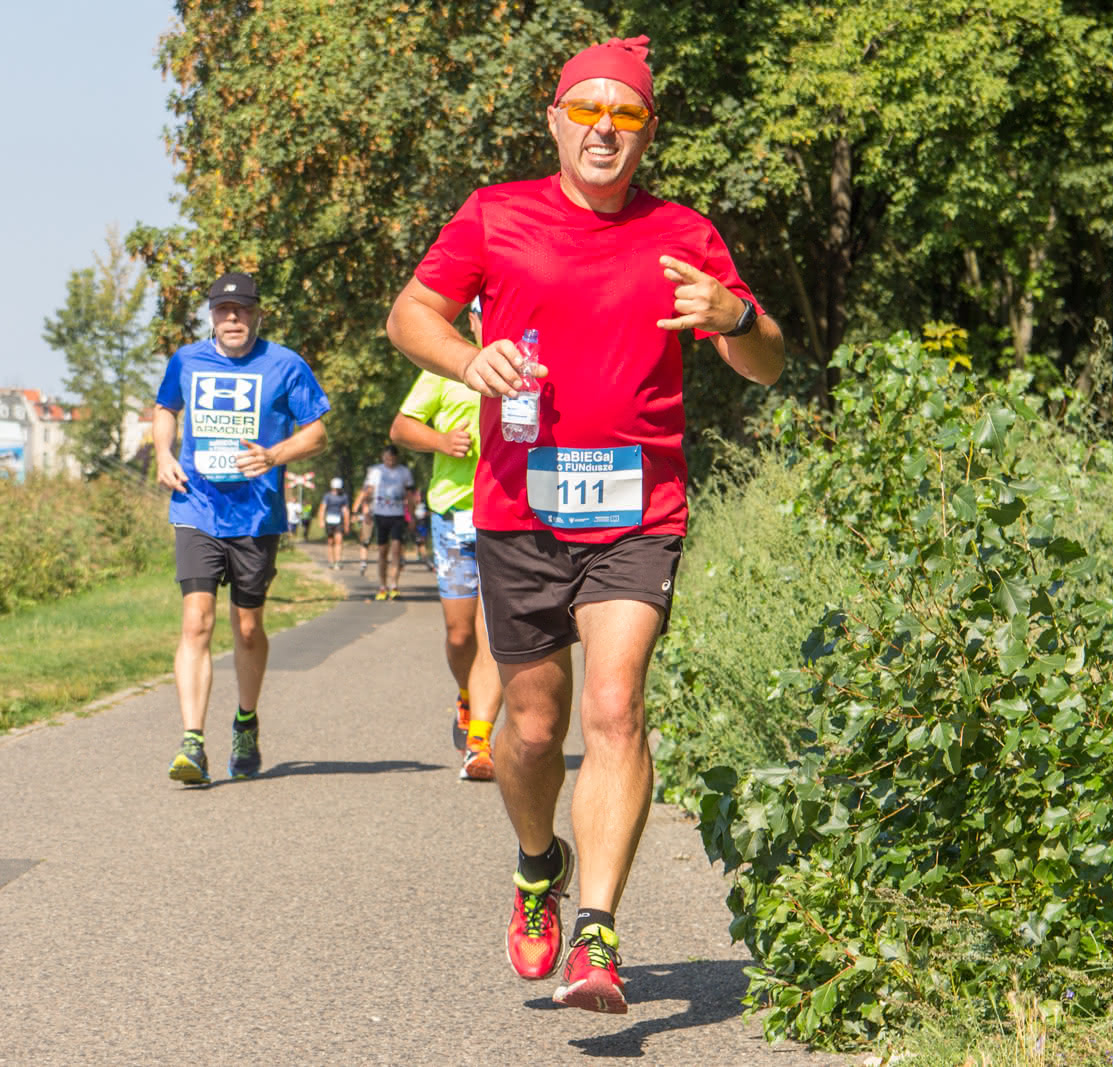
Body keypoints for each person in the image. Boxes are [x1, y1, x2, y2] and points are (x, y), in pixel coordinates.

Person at [385, 36, 784, 1014]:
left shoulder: (683, 232)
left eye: (628, 114)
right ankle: (538, 867)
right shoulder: (497, 214)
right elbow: (410, 314)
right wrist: (465, 359)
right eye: (588, 111)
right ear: (556, 120)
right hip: (518, 508)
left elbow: (766, 362)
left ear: (647, 130)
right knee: (529, 725)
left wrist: (733, 316)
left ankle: (597, 929)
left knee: (614, 705)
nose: (606, 129)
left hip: (637, 507)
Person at [153, 271, 331, 785]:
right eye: (224, 311)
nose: (233, 319)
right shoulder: (186, 360)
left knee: (247, 627)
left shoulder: (284, 364)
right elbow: (166, 408)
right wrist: (164, 453)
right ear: (211, 314)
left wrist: (276, 454)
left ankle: (246, 721)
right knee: (197, 620)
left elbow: (316, 432)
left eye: (243, 310)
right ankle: (192, 742)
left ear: (257, 314)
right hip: (196, 506)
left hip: (256, 515)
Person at [389, 297, 502, 781]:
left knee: (493, 633)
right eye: (481, 311)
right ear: (472, 318)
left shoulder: (529, 365)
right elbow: (400, 427)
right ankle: (465, 694)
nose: (488, 319)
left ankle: (480, 741)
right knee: (460, 634)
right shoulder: (446, 365)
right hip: (454, 514)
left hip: (508, 516)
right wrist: (441, 441)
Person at [352, 444, 415, 600]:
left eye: (392, 459)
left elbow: (410, 496)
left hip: (397, 515)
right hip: (380, 514)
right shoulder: (376, 471)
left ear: (397, 458)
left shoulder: (404, 472)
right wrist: (363, 510)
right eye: (387, 458)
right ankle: (382, 586)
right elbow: (367, 491)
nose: (390, 461)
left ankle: (394, 586)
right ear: (383, 457)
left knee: (395, 550)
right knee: (382, 552)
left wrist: (412, 517)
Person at [318, 476, 351, 569]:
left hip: (339, 521)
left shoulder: (344, 497)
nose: (337, 490)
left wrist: (347, 524)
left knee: (339, 541)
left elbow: (345, 511)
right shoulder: (327, 496)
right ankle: (331, 561)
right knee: (330, 542)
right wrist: (321, 521)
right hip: (329, 521)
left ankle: (338, 561)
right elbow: (322, 509)